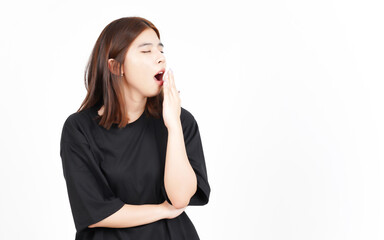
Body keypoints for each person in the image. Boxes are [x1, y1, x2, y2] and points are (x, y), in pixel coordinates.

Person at [59, 16, 211, 240]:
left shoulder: (180, 120)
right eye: (146, 51)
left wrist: (174, 124)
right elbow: (95, 212)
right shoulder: (79, 129)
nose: (160, 58)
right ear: (115, 66)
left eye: (161, 50)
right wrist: (162, 210)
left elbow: (180, 198)